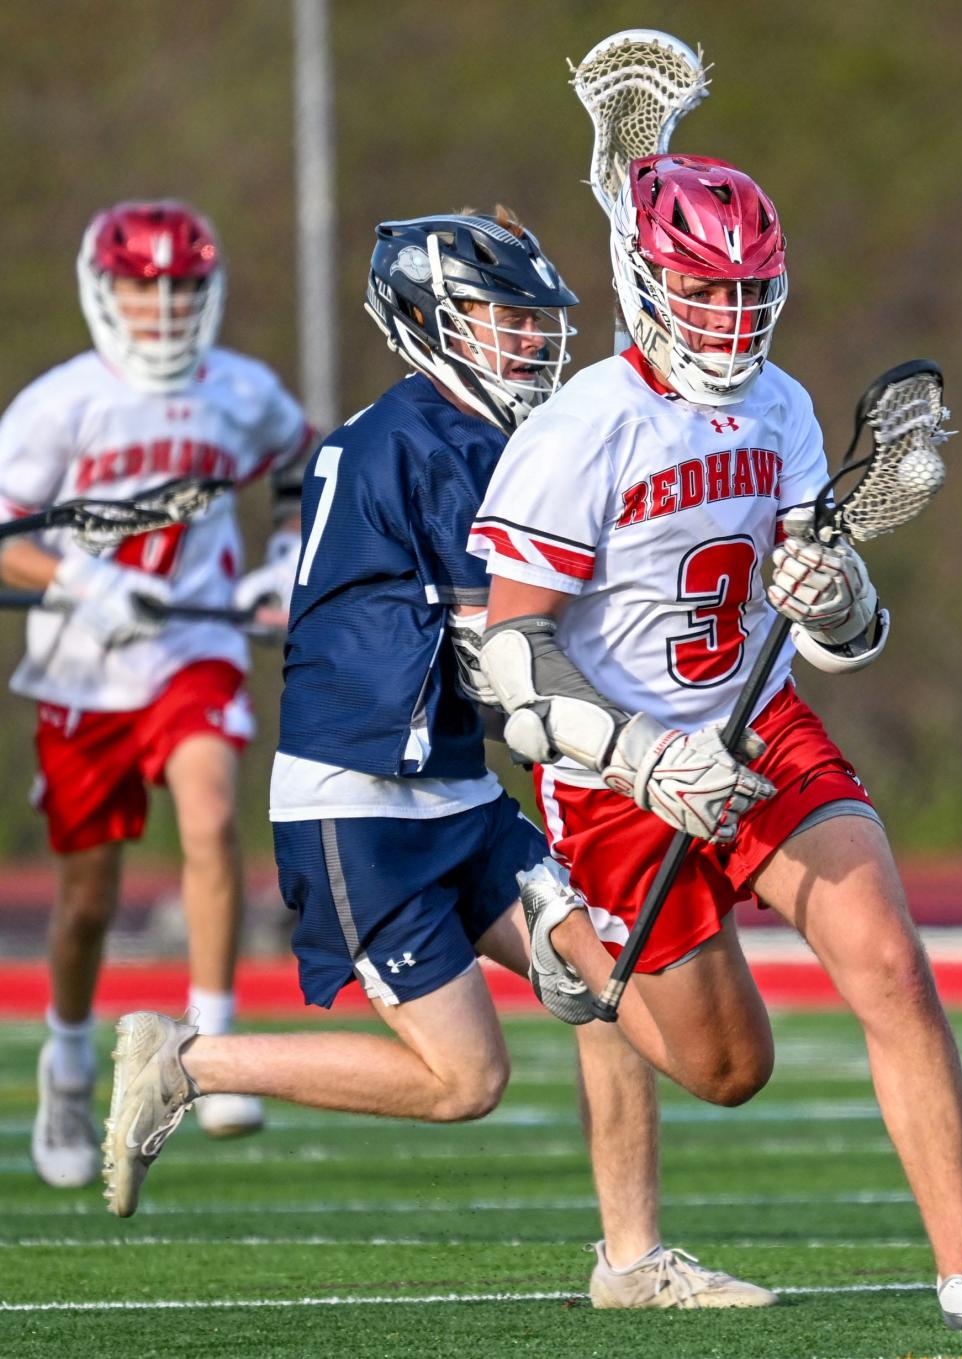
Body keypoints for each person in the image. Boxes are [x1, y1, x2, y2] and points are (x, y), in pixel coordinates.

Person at [101, 207, 776, 1309]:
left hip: (456, 792)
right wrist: (642, 752)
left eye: (529, 317)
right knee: (466, 1081)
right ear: (427, 319)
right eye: (499, 316)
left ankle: (630, 1256)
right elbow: (507, 654)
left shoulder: (456, 434)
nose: (526, 338)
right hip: (363, 806)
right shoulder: (428, 443)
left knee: (604, 984)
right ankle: (190, 1064)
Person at [467, 155, 962, 1334]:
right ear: (646, 284)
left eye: (748, 291)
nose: (728, 317)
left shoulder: (784, 408)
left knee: (891, 961)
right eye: (702, 292)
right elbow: (512, 662)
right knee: (728, 1071)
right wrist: (644, 758)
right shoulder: (583, 428)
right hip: (614, 777)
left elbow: (841, 627)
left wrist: (835, 595)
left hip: (761, 727)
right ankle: (557, 940)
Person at [0, 199, 316, 1188]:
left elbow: (307, 452)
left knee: (216, 822)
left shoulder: (236, 390)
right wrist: (84, 583)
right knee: (89, 899)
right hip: (84, 668)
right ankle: (67, 1058)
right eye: (144, 285)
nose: (164, 304)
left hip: (192, 647)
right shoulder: (59, 405)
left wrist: (284, 553)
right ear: (105, 289)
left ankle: (210, 1054)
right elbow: (6, 542)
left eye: (180, 285)